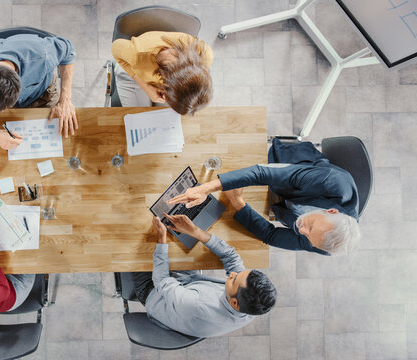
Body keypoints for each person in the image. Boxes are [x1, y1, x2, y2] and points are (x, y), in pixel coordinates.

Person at [168, 140, 361, 255]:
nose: (300, 231)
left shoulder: (323, 241)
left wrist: (238, 203)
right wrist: (207, 188)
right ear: (331, 211)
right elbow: (263, 173)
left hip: (284, 202)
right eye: (309, 225)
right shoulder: (333, 182)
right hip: (291, 164)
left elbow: (272, 235)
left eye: (307, 237)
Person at [132, 214, 276, 338]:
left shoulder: (196, 305)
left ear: (234, 303)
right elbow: (231, 257)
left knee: (135, 240)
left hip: (153, 292)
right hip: (187, 284)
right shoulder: (251, 306)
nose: (232, 274)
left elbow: (161, 281)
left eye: (234, 280)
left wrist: (161, 238)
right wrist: (195, 231)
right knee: (184, 242)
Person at [111, 31, 213, 114]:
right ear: (165, 87)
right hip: (133, 71)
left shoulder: (205, 55)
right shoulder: (138, 55)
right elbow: (115, 48)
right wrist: (147, 88)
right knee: (140, 114)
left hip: (163, 81)